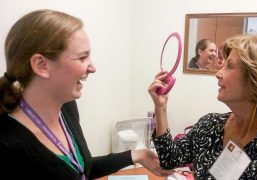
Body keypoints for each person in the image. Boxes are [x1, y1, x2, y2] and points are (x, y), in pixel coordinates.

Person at [0, 9, 174, 180]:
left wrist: (137, 155)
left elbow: (82, 169)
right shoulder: (7, 144)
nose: (92, 67)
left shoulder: (67, 108)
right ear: (41, 65)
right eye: (83, 58)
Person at [148, 34, 257, 179]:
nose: (218, 73)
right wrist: (160, 107)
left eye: (229, 66)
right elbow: (170, 159)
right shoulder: (211, 124)